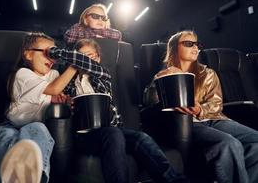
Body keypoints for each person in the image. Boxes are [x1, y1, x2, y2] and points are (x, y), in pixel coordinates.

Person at [0, 32, 111, 183]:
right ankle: (9, 177)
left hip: (37, 125)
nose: (51, 58)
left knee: (39, 132)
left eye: (54, 54)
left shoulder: (54, 74)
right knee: (4, 139)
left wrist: (66, 101)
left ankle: (33, 177)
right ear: (28, 54)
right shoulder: (22, 74)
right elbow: (54, 89)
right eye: (47, 52)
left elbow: (58, 94)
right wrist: (78, 62)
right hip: (11, 125)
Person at [59, 38, 189, 183]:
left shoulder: (102, 75)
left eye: (91, 55)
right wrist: (67, 101)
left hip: (109, 129)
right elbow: (60, 95)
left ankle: (175, 180)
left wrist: (79, 60)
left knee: (141, 138)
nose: (86, 60)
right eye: (82, 56)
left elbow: (91, 68)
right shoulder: (68, 81)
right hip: (84, 135)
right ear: (75, 57)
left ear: (99, 58)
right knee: (114, 133)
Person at [144, 30, 258, 183]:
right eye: (189, 43)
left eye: (197, 44)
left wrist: (200, 109)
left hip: (213, 118)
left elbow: (216, 105)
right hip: (186, 123)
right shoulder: (164, 74)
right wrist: (161, 79)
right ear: (174, 48)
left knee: (255, 140)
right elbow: (149, 101)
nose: (195, 47)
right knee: (230, 143)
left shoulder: (208, 73)